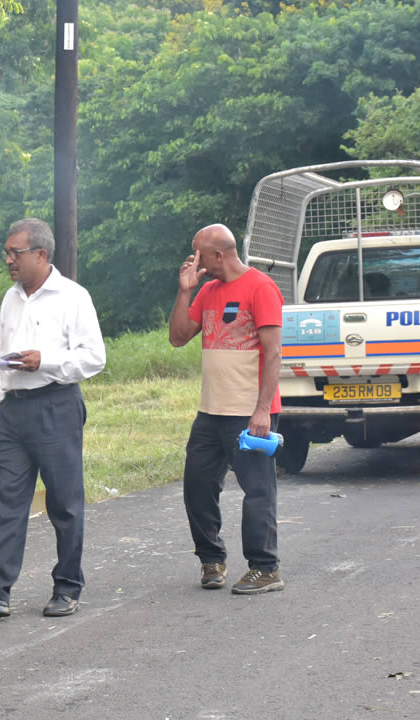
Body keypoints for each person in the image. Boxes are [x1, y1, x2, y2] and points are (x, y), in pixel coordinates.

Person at [0, 218, 106, 619]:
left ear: (41, 254)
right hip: (12, 411)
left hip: (56, 406)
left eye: (15, 252)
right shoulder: (10, 299)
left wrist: (45, 361)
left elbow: (94, 358)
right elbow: (2, 363)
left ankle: (68, 587)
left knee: (65, 503)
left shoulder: (73, 297)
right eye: (6, 252)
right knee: (7, 500)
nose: (8, 260)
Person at [168, 223, 285, 594]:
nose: (195, 260)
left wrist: (262, 410)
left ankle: (265, 568)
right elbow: (178, 337)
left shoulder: (260, 287)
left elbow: (273, 352)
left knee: (257, 489)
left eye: (199, 254)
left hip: (249, 410)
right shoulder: (208, 291)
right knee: (198, 486)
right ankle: (211, 558)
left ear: (219, 255)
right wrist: (184, 291)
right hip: (211, 410)